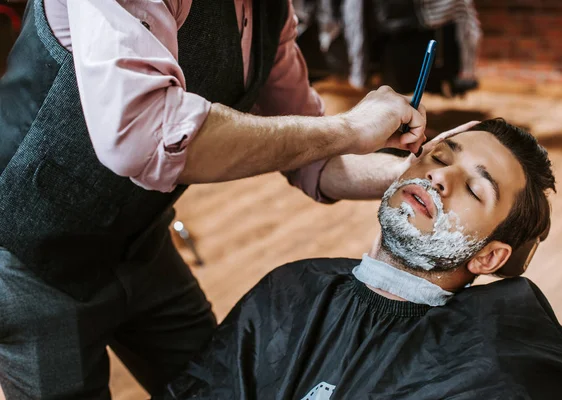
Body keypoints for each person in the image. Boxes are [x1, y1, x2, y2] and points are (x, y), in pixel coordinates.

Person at [0, 0, 428, 398]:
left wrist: (421, 176)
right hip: (27, 256)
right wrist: (351, 129)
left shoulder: (268, 13)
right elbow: (145, 135)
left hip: (140, 243)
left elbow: (317, 160)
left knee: (220, 386)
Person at [157, 119, 562, 400]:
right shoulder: (289, 290)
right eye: (438, 157)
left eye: (474, 189)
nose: (439, 176)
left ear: (489, 257)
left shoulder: (489, 375)